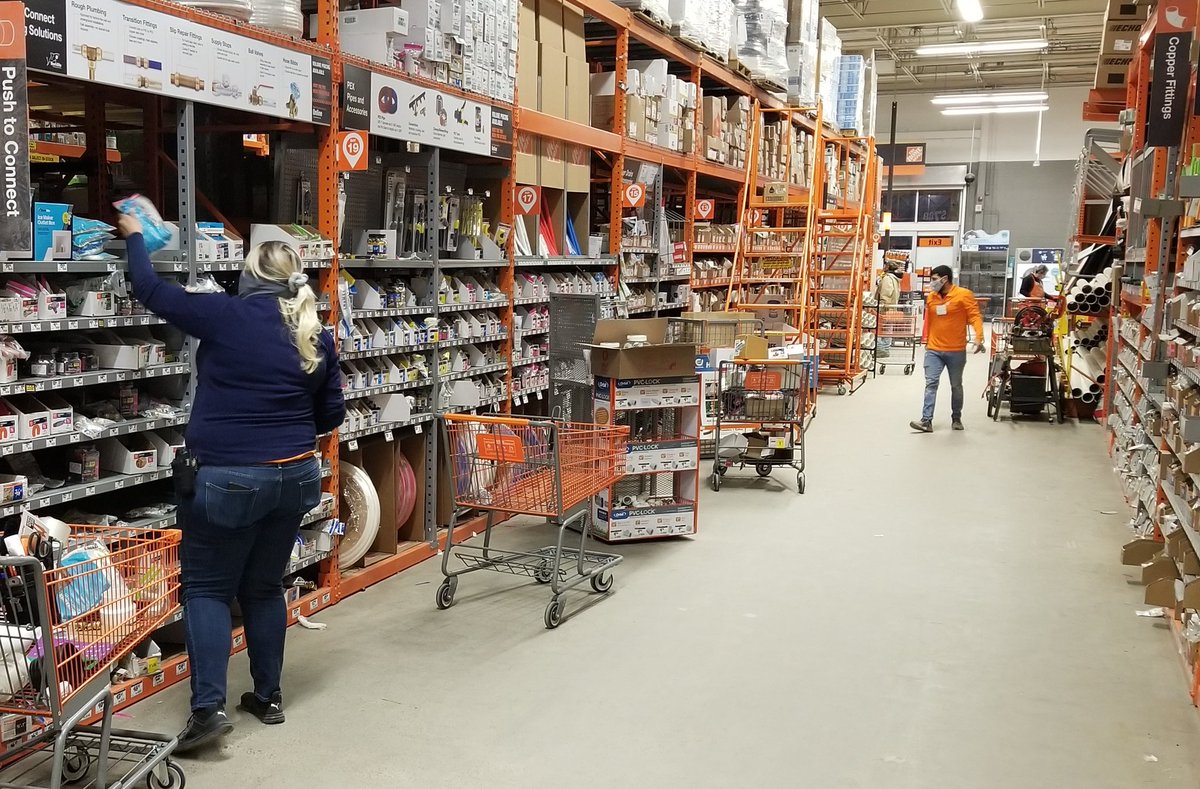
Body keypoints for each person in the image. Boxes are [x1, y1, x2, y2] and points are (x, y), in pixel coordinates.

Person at [117, 213, 346, 754]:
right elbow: (330, 414)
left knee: (208, 589)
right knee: (265, 588)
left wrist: (132, 234)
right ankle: (267, 697)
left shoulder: (223, 314)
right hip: (295, 476)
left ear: (248, 278)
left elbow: (148, 287)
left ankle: (208, 710)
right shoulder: (315, 333)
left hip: (226, 480)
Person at [910, 264, 984, 433]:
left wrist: (979, 337)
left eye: (934, 279)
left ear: (945, 279)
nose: (932, 283)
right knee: (931, 383)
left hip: (956, 350)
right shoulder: (931, 297)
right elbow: (930, 320)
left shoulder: (964, 295)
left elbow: (974, 317)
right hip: (934, 350)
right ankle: (926, 421)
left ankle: (956, 417)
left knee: (956, 385)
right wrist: (925, 340)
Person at [875, 262, 901, 357]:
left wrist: (881, 305)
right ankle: (885, 350)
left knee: (881, 329)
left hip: (885, 309)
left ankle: (881, 350)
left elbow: (886, 293)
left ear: (888, 267)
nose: (883, 267)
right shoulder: (895, 278)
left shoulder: (887, 278)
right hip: (892, 308)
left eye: (885, 266)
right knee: (888, 330)